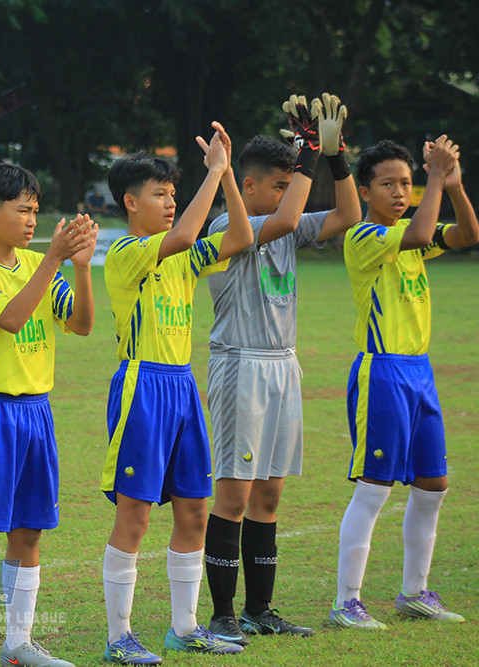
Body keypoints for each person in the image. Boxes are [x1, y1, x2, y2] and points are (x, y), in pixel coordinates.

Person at [203, 94, 361, 644]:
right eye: (278, 183)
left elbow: (348, 216)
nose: (288, 192)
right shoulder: (227, 223)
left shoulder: (286, 226)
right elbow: (292, 212)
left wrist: (334, 157)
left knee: (269, 495)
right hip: (239, 365)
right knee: (235, 495)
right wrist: (307, 152)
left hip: (282, 366)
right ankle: (222, 614)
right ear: (248, 187)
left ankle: (258, 610)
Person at [99, 122, 252, 663]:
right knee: (135, 516)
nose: (170, 202)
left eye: (172, 194)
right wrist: (212, 172)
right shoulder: (125, 254)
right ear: (130, 201)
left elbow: (240, 237)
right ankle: (119, 637)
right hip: (142, 385)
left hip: (182, 385)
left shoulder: (182, 256)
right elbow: (186, 235)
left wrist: (226, 174)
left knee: (194, 512)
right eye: (160, 195)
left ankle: (183, 628)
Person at [0, 163, 97, 667]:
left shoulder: (39, 263)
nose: (33, 219)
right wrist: (52, 259)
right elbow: (9, 320)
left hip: (38, 411)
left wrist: (78, 266)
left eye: (35, 210)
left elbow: (80, 325)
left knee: (29, 530)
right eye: (23, 209)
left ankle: (18, 643)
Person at [329, 135, 476, 629]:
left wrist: (451, 184)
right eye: (387, 183)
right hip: (383, 372)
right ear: (365, 191)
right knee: (374, 488)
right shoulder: (364, 237)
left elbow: (468, 234)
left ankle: (414, 591)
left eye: (407, 183)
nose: (399, 192)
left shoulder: (414, 234)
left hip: (420, 371)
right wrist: (434, 179)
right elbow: (416, 234)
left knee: (433, 485)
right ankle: (346, 601)